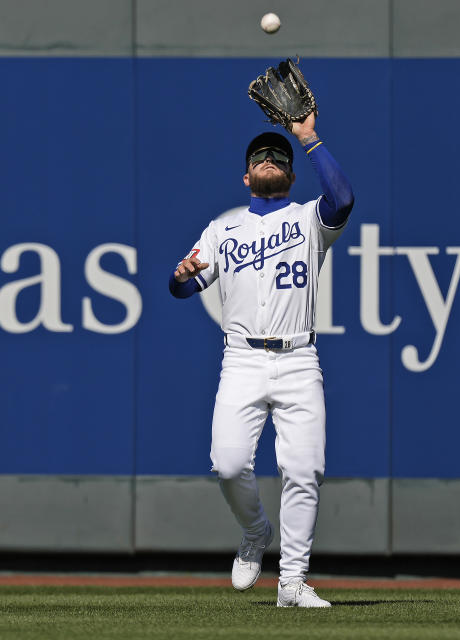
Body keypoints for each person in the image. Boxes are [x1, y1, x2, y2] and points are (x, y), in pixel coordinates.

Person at [168, 113, 353, 608]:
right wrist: (183, 274)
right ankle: (255, 532)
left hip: (298, 358)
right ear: (246, 176)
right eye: (259, 157)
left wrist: (308, 139)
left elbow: (344, 200)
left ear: (290, 175)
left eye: (278, 157)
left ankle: (292, 582)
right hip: (243, 360)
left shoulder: (310, 220)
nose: (269, 160)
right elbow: (182, 288)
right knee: (227, 465)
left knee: (303, 469)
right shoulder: (222, 229)